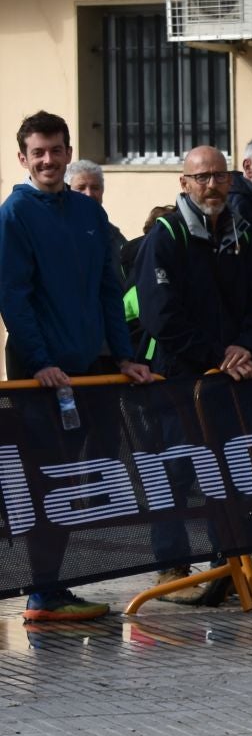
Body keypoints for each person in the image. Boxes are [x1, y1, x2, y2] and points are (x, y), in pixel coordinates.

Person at [0, 111, 156, 621]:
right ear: (22, 158)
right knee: (44, 481)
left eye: (56, 150)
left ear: (69, 153)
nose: (48, 160)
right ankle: (42, 592)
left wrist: (125, 356)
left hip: (92, 369)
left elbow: (110, 290)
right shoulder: (14, 215)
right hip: (42, 375)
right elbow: (13, 297)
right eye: (38, 152)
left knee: (75, 481)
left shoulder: (89, 213)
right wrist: (41, 363)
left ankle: (56, 586)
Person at [134, 145, 252, 604]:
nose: (212, 186)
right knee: (174, 473)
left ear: (230, 180)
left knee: (231, 470)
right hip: (178, 377)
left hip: (227, 376)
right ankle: (170, 572)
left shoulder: (240, 233)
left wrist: (244, 347)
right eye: (201, 178)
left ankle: (231, 566)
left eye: (219, 176)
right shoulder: (165, 236)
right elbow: (162, 316)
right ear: (184, 183)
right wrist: (217, 356)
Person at [63, 157, 131, 286]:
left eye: (95, 187)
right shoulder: (60, 231)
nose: (89, 194)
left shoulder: (113, 234)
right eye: (81, 187)